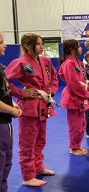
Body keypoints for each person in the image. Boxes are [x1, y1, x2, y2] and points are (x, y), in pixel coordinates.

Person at [5, 33, 58, 186]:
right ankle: (28, 176)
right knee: (27, 143)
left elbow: (54, 78)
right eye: (38, 44)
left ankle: (38, 167)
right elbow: (4, 81)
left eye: (42, 43)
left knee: (40, 140)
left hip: (43, 104)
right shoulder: (20, 62)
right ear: (27, 46)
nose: (42, 47)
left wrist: (51, 92)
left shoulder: (46, 61)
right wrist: (21, 93)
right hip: (29, 107)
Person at [59, 39, 89, 156]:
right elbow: (73, 83)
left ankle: (77, 145)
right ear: (72, 49)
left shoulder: (77, 62)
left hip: (80, 97)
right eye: (78, 46)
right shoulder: (69, 63)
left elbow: (83, 80)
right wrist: (86, 94)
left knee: (81, 124)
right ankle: (73, 147)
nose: (81, 48)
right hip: (73, 98)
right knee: (75, 125)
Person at [0, 33, 22, 192]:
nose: (5, 45)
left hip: (6, 122)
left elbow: (4, 93)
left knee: (6, 161)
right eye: (1, 42)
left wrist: (14, 104)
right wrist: (12, 110)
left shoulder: (1, 68)